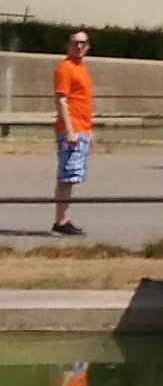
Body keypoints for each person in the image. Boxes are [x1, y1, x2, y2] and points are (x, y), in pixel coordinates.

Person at [52, 30, 93, 236]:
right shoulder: (65, 68)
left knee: (72, 175)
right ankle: (61, 221)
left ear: (88, 47)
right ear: (67, 46)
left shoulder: (81, 68)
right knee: (67, 176)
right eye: (75, 43)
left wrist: (88, 130)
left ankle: (63, 220)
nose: (79, 46)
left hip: (82, 129)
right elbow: (61, 100)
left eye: (82, 43)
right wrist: (69, 130)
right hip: (72, 129)